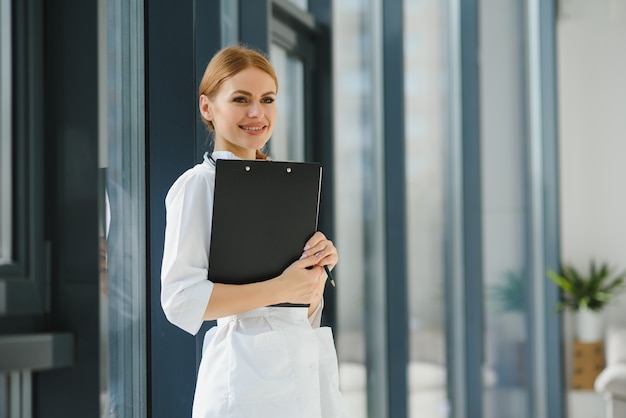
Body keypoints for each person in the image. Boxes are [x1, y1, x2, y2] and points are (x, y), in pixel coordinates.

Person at [160, 44, 348, 418]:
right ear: (207, 107)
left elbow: (298, 307)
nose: (256, 112)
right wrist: (282, 287)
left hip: (303, 376)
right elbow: (180, 299)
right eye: (241, 99)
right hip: (245, 383)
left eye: (267, 99)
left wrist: (314, 272)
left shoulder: (283, 186)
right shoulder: (200, 185)